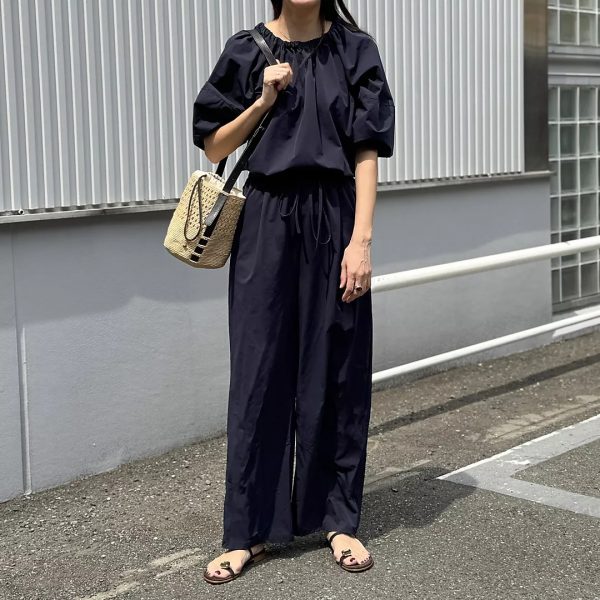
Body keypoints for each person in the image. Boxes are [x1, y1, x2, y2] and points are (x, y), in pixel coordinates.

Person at [192, 0, 395, 584]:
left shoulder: (355, 50)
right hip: (265, 220)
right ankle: (246, 531)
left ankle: (338, 518)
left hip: (335, 218)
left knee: (338, 367)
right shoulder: (246, 49)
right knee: (258, 371)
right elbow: (214, 146)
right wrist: (262, 100)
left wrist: (361, 241)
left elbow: (366, 150)